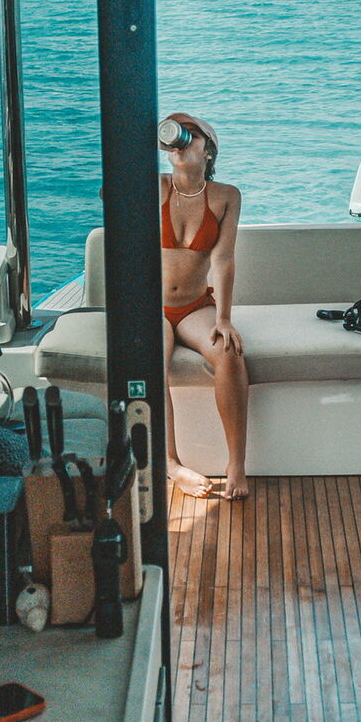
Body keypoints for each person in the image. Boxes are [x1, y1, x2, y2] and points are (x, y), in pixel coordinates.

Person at [159, 113, 248, 501]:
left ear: (209, 151)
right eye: (176, 136)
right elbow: (106, 194)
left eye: (191, 136)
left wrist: (224, 318)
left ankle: (236, 466)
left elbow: (223, 260)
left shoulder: (227, 196)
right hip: (152, 307)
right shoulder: (153, 187)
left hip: (195, 306)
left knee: (228, 353)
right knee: (150, 360)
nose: (182, 142)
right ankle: (171, 465)